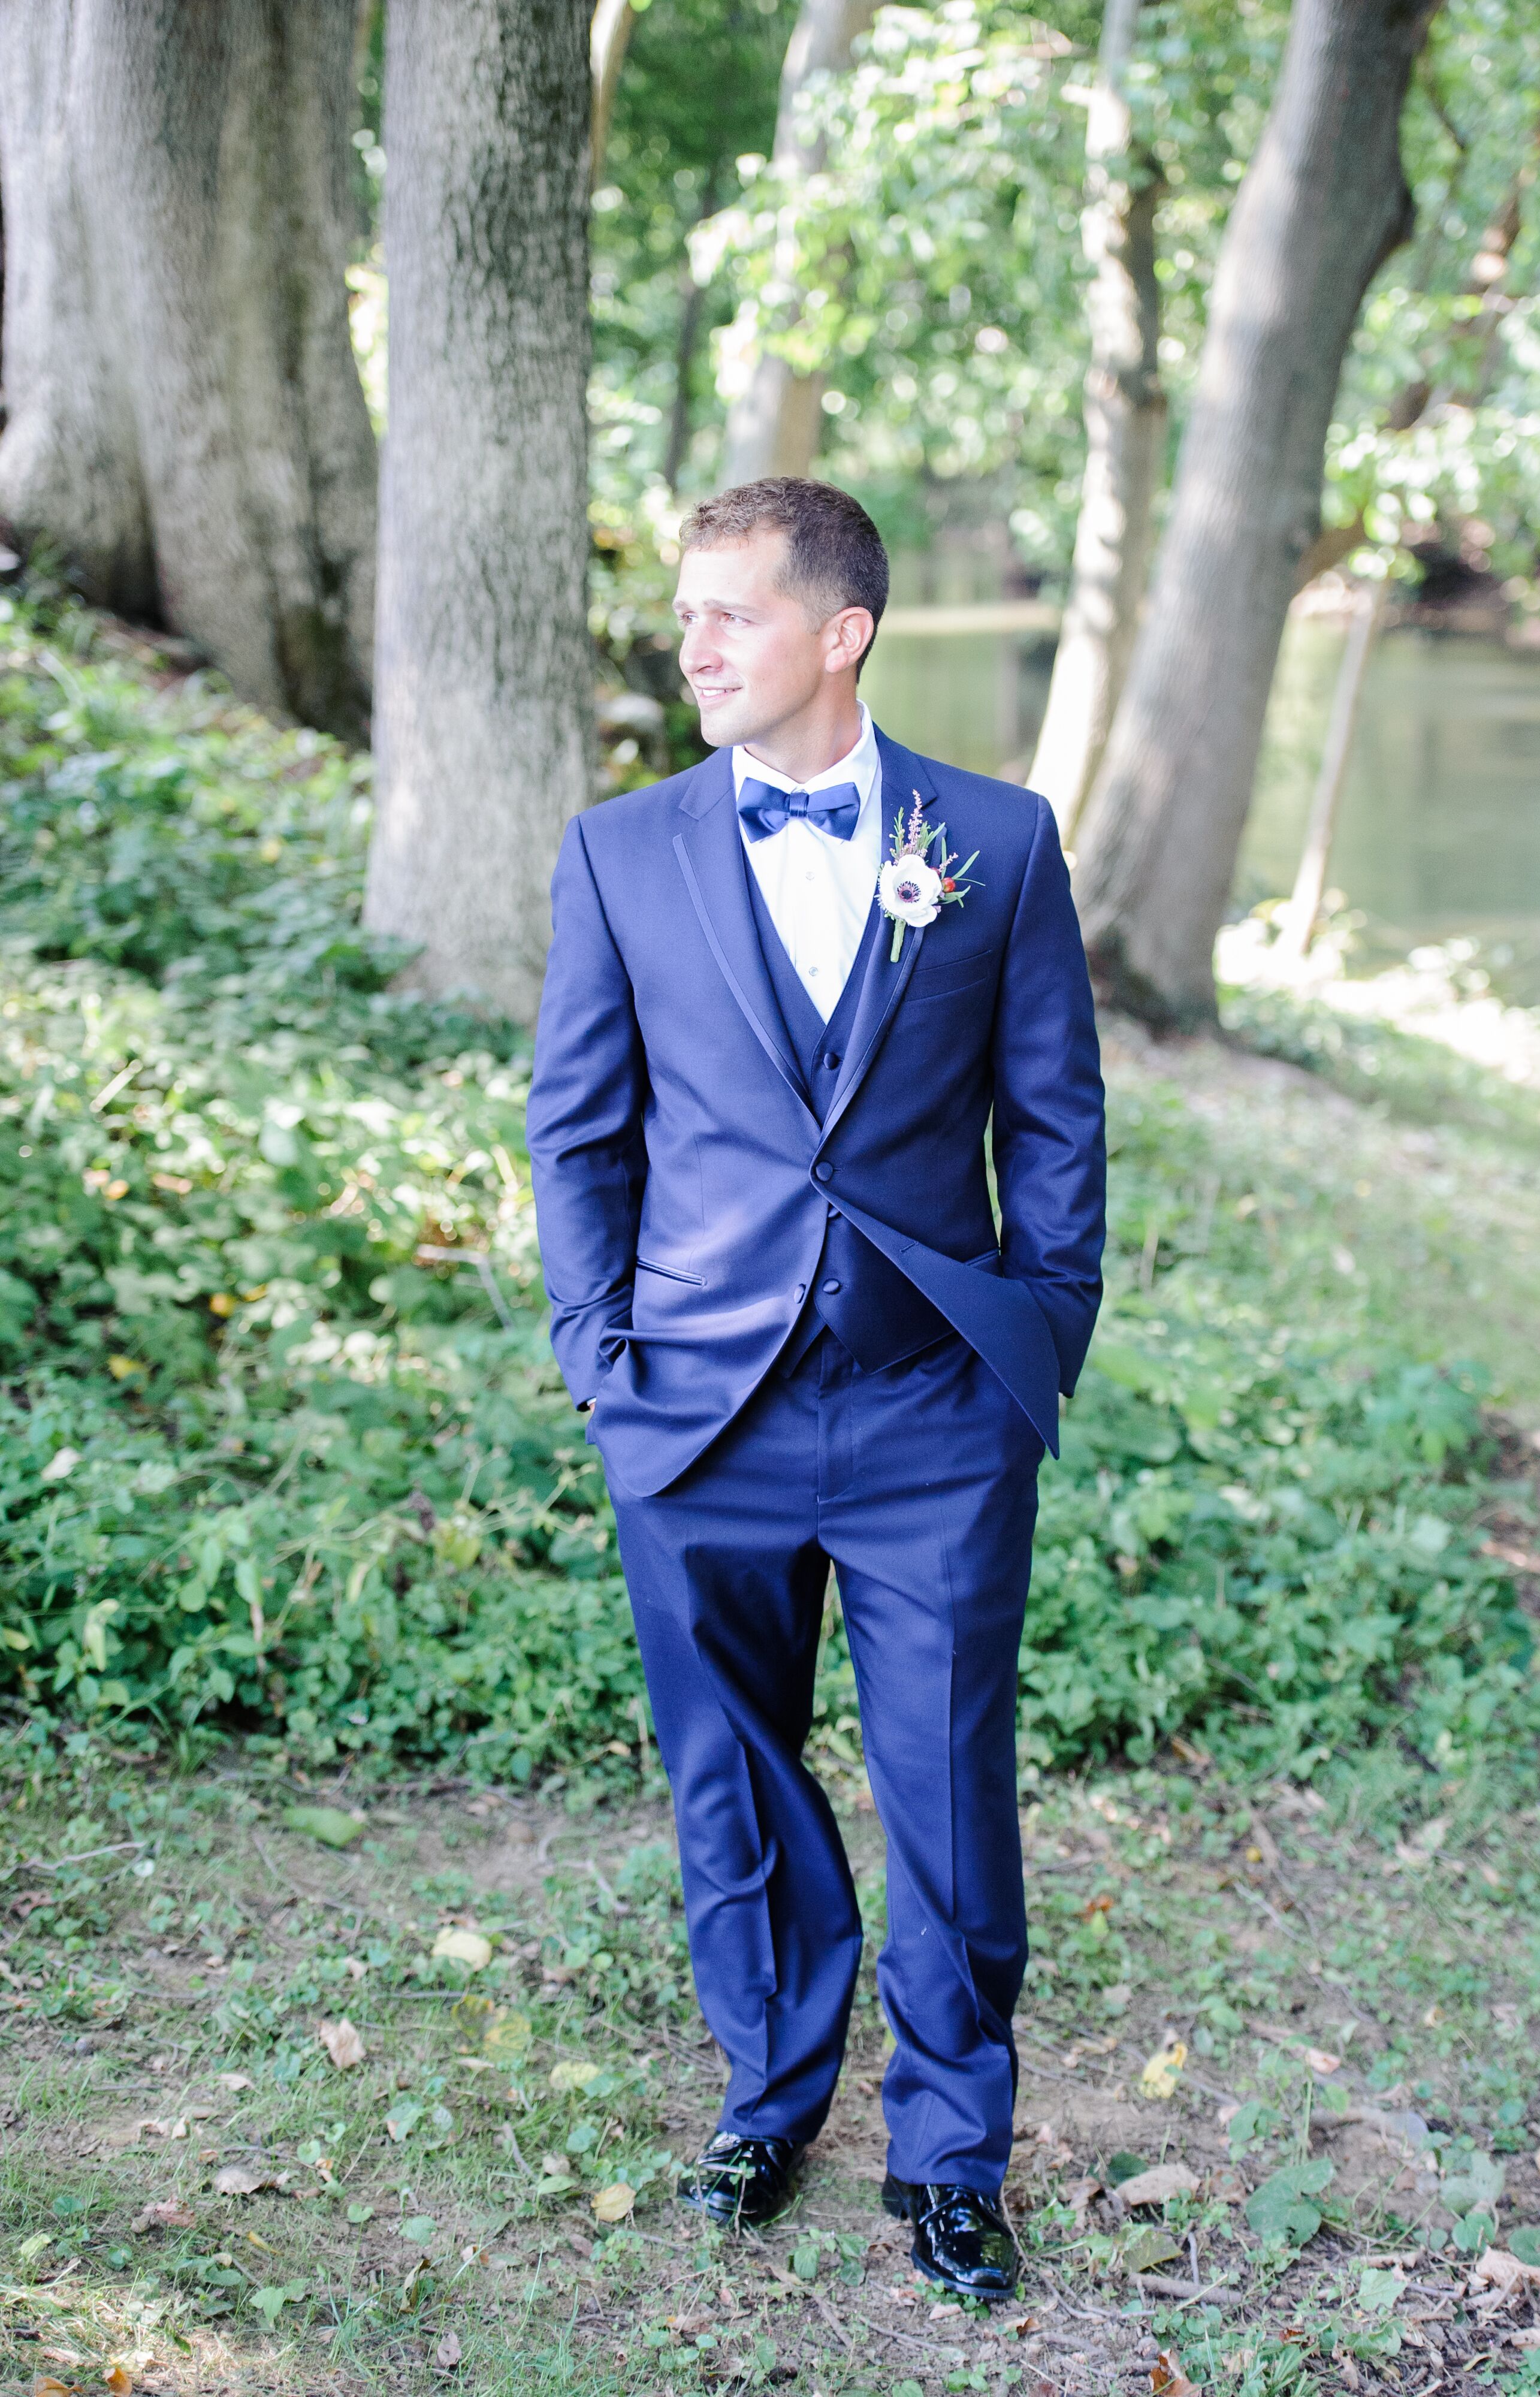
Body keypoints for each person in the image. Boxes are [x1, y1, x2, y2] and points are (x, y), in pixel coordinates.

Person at [527, 478, 1106, 2298]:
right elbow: (580, 1136)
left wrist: (1037, 1341)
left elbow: (1057, 1124)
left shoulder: (994, 843)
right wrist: (604, 1366)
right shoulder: (621, 855)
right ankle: (770, 2096)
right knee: (731, 1774)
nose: (690, 643)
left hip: (936, 1411)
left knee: (948, 1784)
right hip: (699, 1409)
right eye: (683, 612)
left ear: (839, 634)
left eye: (728, 613)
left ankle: (950, 2152)